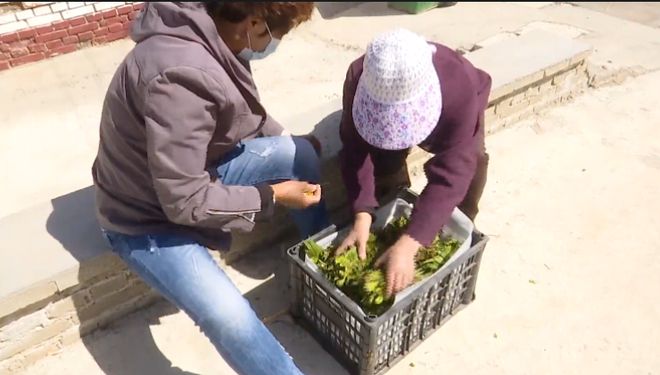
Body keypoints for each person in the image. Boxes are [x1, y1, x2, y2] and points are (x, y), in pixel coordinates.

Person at [91, 2, 327, 374]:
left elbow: (239, 111)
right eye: (276, 34)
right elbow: (185, 200)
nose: (273, 44)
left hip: (186, 175)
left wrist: (287, 138)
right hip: (144, 218)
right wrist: (274, 195)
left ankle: (321, 262)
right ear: (253, 23)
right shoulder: (180, 77)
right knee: (231, 317)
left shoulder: (212, 27)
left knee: (298, 155)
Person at [336, 28, 492, 297]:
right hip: (405, 100)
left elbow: (453, 171)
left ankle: (461, 223)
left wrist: (411, 242)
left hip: (456, 105)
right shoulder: (359, 76)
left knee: (473, 163)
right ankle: (396, 197)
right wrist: (362, 213)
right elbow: (355, 150)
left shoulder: (459, 87)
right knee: (384, 157)